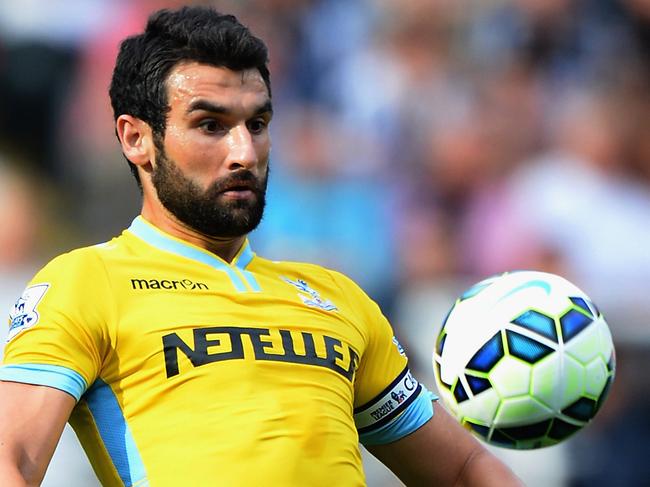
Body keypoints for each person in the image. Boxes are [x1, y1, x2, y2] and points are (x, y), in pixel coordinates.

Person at [0, 6, 522, 486]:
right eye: (210, 125)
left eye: (258, 123)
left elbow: (462, 468)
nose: (243, 152)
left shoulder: (338, 298)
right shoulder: (88, 282)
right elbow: (13, 458)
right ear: (136, 138)